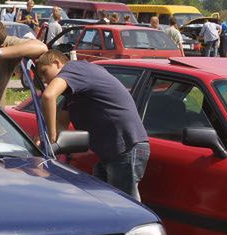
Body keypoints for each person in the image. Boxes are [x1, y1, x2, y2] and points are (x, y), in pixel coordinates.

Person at [35, 50, 149, 200]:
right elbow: (61, 123)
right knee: (99, 200)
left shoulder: (75, 69)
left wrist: (50, 137)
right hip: (112, 151)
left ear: (57, 63)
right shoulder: (74, 93)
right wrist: (43, 139)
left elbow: (48, 96)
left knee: (124, 205)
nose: (44, 80)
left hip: (126, 146)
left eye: (45, 72)